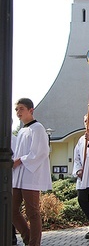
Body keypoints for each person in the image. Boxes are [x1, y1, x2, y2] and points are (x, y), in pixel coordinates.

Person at [12, 98, 52, 246]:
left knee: (33, 213)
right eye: (16, 109)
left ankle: (34, 243)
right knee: (12, 209)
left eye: (21, 109)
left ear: (31, 110)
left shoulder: (38, 128)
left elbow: (41, 152)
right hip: (18, 176)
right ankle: (29, 239)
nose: (18, 112)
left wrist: (20, 160)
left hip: (31, 175)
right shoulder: (22, 130)